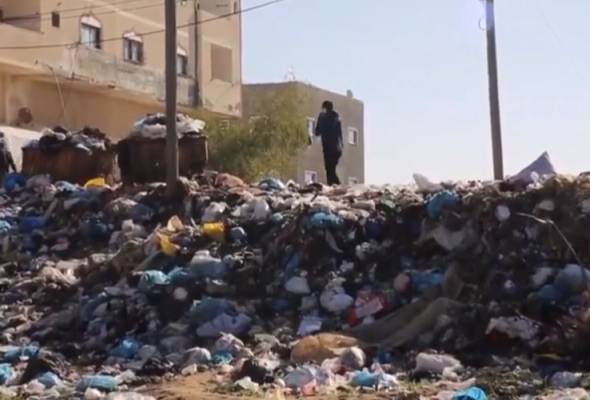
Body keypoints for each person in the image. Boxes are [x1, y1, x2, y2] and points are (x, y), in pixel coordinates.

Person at [315, 100, 343, 186]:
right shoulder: (336, 118)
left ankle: (335, 185)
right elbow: (339, 134)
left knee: (329, 169)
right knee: (331, 169)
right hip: (336, 148)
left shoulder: (324, 117)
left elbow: (317, 132)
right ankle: (335, 185)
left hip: (329, 147)